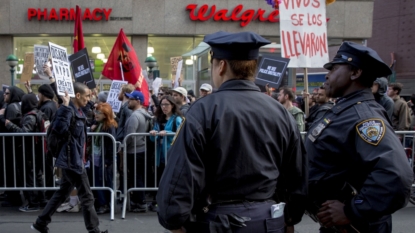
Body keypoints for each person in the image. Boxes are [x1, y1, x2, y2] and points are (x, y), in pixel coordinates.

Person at [157, 31, 307, 233]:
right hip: (268, 219)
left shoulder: (203, 109)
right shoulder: (280, 111)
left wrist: (173, 220)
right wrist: (289, 218)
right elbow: (296, 173)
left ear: (221, 66)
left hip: (218, 220)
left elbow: (181, 173)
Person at [305, 41, 413, 233]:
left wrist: (352, 209)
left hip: (357, 226)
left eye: (335, 68)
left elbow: (396, 177)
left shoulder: (364, 118)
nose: (327, 75)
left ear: (355, 73)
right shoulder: (344, 111)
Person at [32, 82, 107, 233]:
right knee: (87, 196)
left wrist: (90, 96)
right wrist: (65, 106)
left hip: (74, 159)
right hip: (72, 160)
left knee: (62, 193)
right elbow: (59, 128)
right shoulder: (67, 111)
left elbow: (89, 109)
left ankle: (41, 223)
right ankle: (94, 230)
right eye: (86, 96)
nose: (88, 99)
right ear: (77, 96)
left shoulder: (78, 111)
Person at [5, 94, 46, 212]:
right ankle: (41, 200)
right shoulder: (40, 113)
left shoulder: (30, 116)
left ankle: (33, 203)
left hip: (29, 151)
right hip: (37, 150)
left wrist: (9, 125)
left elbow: (24, 133)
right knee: (37, 176)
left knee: (29, 177)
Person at [149, 95, 183, 211]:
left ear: (172, 105)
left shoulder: (177, 119)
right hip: (160, 155)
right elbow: (153, 140)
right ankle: (159, 202)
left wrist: (167, 132)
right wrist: (154, 133)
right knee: (160, 178)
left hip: (172, 154)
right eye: (162, 104)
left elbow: (179, 135)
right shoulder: (158, 119)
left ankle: (169, 202)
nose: (164, 107)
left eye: (167, 104)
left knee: (170, 180)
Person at [124, 90, 152, 213]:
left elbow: (129, 136)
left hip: (134, 150)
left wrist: (123, 146)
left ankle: (139, 202)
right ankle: (139, 201)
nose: (128, 101)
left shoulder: (135, 116)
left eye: (131, 99)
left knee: (136, 177)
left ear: (138, 101)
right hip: (140, 149)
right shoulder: (144, 114)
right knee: (138, 176)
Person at [89, 103, 117, 214]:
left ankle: (104, 204)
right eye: (95, 111)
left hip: (103, 159)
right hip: (96, 158)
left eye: (99, 112)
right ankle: (102, 203)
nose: (96, 114)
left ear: (105, 114)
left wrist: (107, 161)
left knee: (103, 182)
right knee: (97, 181)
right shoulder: (98, 124)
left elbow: (111, 145)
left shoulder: (109, 126)